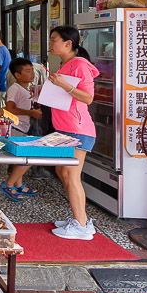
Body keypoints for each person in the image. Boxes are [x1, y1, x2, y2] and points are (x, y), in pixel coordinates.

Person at [47, 25, 99, 241]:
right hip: (64, 127)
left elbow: (87, 98)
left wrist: (62, 85)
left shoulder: (79, 65)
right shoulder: (64, 64)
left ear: (68, 43)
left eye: (54, 40)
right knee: (62, 173)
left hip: (77, 129)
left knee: (71, 175)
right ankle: (79, 218)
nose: (51, 44)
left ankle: (82, 225)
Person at [0, 58, 44, 202]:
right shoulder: (15, 88)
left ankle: (19, 184)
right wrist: (32, 113)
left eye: (32, 70)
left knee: (21, 158)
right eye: (27, 71)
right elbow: (10, 108)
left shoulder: (27, 89)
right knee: (31, 155)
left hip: (23, 127)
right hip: (15, 127)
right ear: (17, 75)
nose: (32, 73)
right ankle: (8, 184)